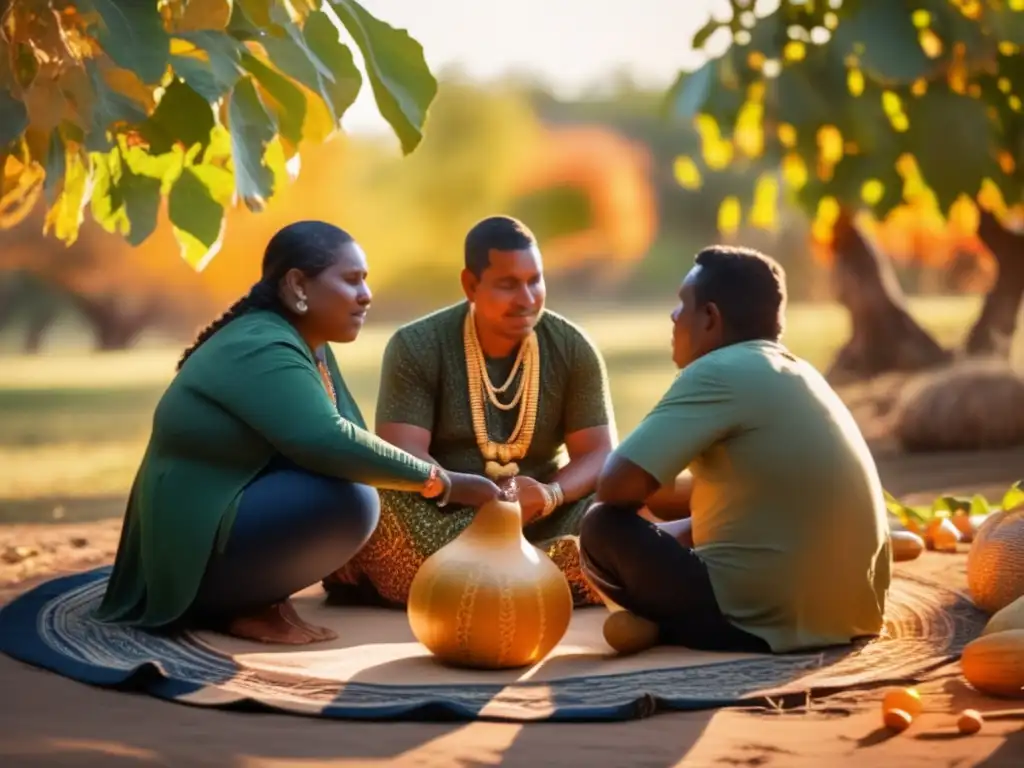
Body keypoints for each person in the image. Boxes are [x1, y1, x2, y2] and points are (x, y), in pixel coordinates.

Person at [95, 221, 501, 645]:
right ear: (297, 285)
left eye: (365, 280)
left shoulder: (309, 343)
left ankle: (257, 596)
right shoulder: (260, 345)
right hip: (188, 547)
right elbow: (329, 442)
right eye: (351, 280)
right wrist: (443, 483)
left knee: (368, 496)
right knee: (350, 500)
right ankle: (233, 604)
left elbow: (355, 441)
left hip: (232, 517)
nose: (366, 295)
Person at [579, 245, 891, 656]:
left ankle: (666, 623)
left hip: (758, 620)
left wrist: (669, 531)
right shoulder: (801, 372)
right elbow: (748, 492)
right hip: (853, 613)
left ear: (710, 318)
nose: (673, 318)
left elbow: (615, 485)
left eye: (681, 305)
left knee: (602, 526)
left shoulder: (716, 371)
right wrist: (682, 526)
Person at [324, 215, 617, 607]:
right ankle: (547, 577)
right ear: (470, 285)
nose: (527, 299)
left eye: (535, 280)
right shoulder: (416, 345)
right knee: (371, 492)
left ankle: (467, 584)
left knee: (616, 503)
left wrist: (549, 494)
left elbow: (598, 452)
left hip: (542, 515)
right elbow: (404, 455)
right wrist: (480, 498)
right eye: (508, 284)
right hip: (444, 517)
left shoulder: (571, 346)